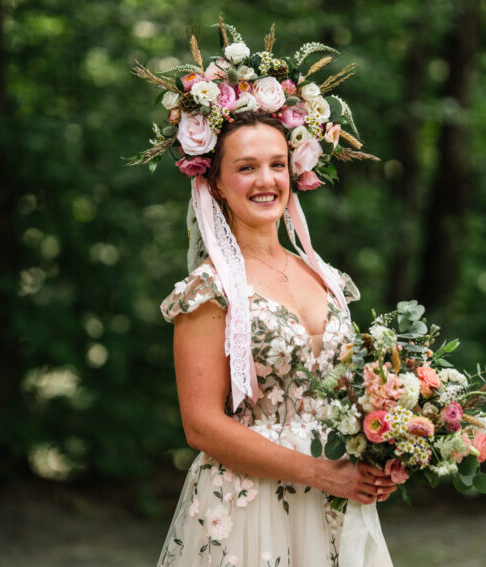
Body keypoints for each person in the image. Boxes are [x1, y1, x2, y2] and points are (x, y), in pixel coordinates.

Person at [132, 22, 392, 566]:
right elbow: (201, 424)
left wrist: (387, 452)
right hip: (252, 507)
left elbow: (355, 395)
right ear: (217, 183)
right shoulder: (208, 290)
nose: (266, 180)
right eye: (246, 167)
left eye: (277, 165)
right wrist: (323, 472)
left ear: (295, 172)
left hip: (338, 496)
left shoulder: (328, 278)